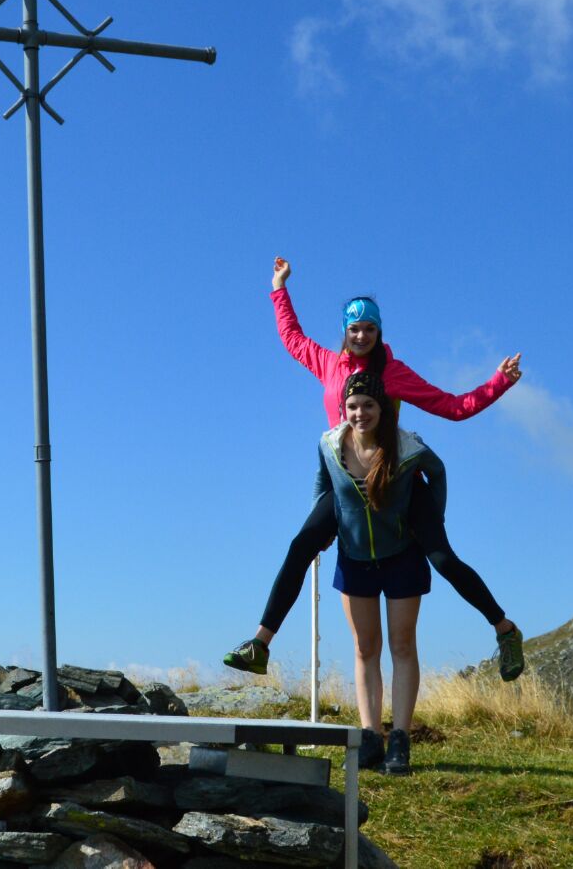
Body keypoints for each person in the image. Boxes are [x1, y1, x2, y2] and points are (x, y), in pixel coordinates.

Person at [223, 257, 526, 683]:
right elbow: (291, 337)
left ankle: (504, 629)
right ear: (344, 333)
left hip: (397, 480)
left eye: (368, 328)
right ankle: (260, 643)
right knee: (300, 546)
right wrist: (279, 287)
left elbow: (454, 408)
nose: (361, 335)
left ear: (379, 331)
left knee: (442, 558)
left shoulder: (394, 374)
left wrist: (499, 382)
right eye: (353, 329)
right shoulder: (329, 364)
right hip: (347, 484)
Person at [320, 371, 440, 774]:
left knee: (402, 645)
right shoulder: (330, 444)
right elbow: (322, 488)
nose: (360, 413)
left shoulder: (407, 446)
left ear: (383, 408)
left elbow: (437, 472)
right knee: (364, 648)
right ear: (344, 408)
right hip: (355, 559)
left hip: (402, 555)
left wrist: (431, 519)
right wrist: (322, 525)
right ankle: (370, 737)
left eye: (368, 405)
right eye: (353, 405)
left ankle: (400, 741)